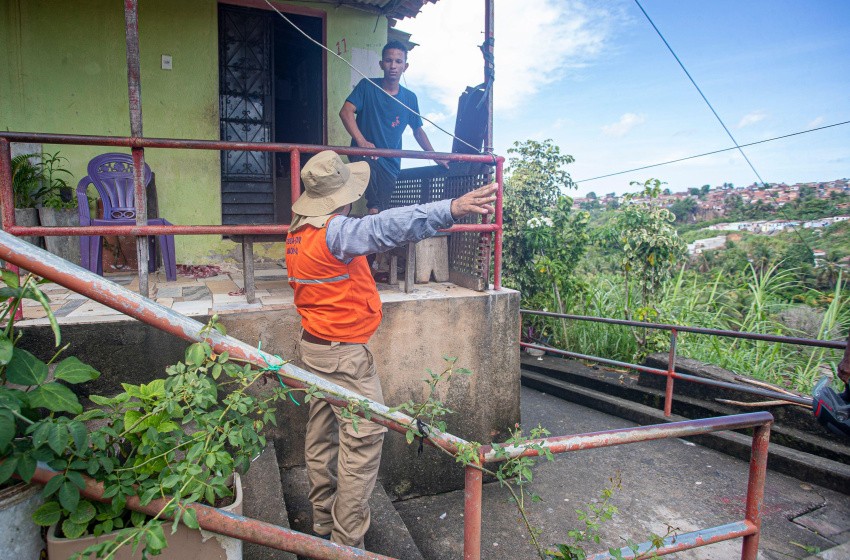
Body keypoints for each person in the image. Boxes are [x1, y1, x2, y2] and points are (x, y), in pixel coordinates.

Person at [285, 150, 497, 549]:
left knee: (321, 434)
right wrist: (450, 208)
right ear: (342, 197)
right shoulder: (337, 232)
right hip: (343, 355)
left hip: (312, 347)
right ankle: (347, 544)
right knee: (362, 443)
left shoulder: (298, 234)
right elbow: (386, 226)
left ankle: (320, 523)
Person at [339, 40, 447, 215]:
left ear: (405, 66)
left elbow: (418, 130)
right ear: (381, 64)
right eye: (388, 61)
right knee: (369, 202)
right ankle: (348, 211)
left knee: (379, 208)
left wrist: (434, 156)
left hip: (390, 163)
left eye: (398, 61)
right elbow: (346, 112)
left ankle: (371, 230)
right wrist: (362, 142)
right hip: (364, 154)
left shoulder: (410, 98)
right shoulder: (367, 86)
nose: (393, 66)